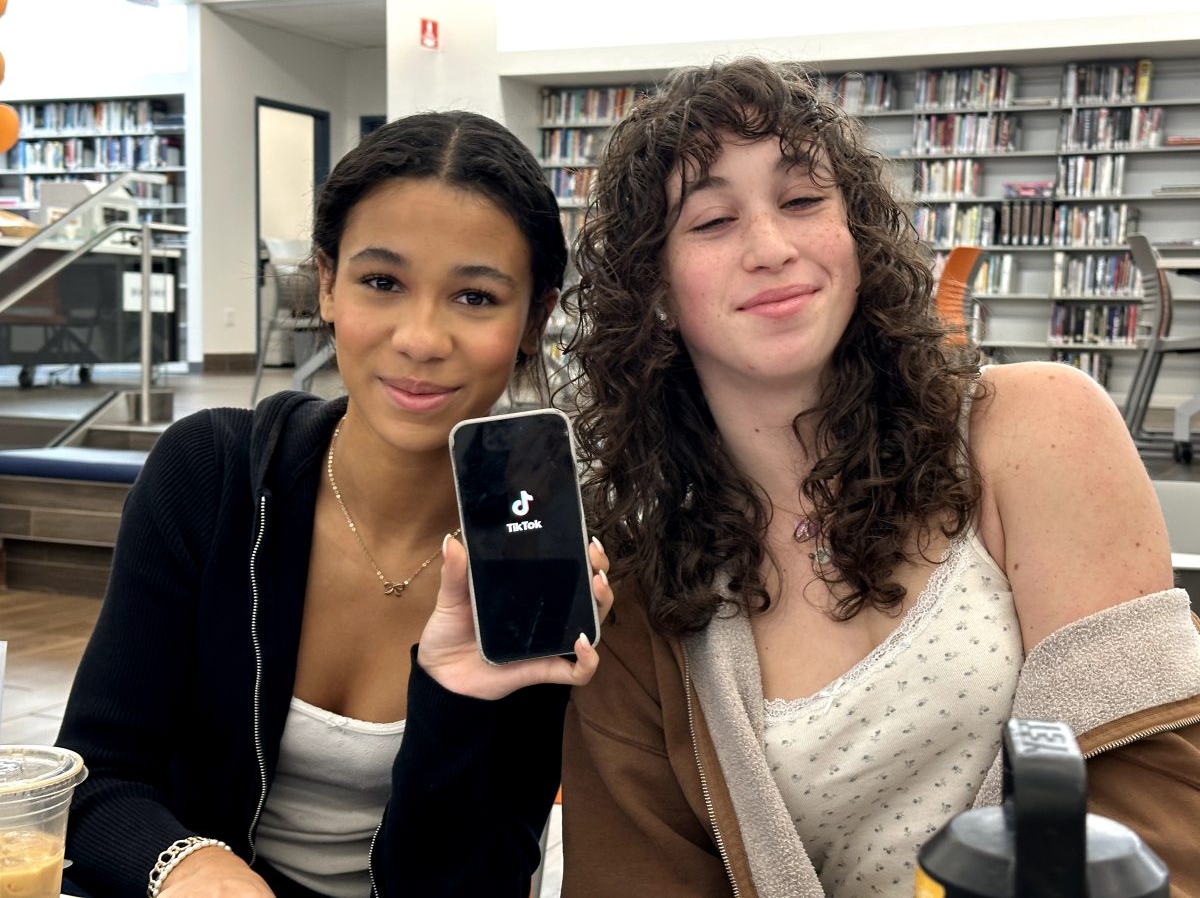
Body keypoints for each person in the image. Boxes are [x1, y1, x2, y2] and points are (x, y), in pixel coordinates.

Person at [560, 57, 1200, 897]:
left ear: (856, 235)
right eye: (711, 221)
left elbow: (1160, 798)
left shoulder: (1037, 429)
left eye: (801, 201)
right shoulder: (640, 593)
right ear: (656, 293)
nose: (772, 248)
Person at [55, 110, 613, 898]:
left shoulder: (539, 555)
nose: (420, 338)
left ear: (536, 319)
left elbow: (475, 877)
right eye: (382, 282)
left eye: (476, 297)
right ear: (326, 283)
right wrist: (192, 868)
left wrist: (455, 696)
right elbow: (96, 779)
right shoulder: (211, 476)